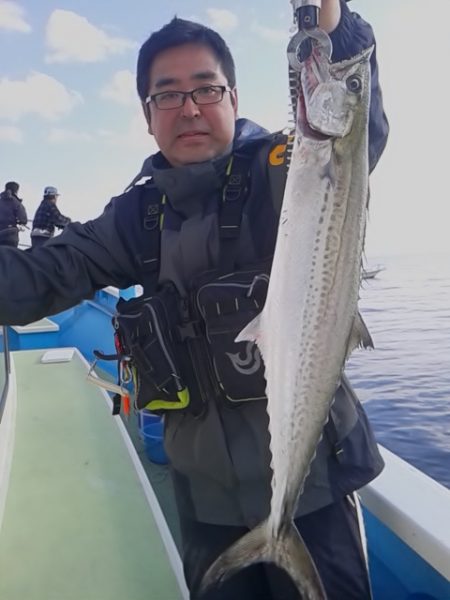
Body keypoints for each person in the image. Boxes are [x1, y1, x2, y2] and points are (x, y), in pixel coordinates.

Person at [0, 1, 389, 598]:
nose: (189, 108)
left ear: (234, 98)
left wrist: (334, 27)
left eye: (206, 89)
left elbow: (358, 135)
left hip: (315, 494)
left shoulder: (285, 169)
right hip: (204, 504)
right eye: (167, 95)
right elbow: (40, 276)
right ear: (147, 115)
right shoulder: (136, 215)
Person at [0, 181, 28, 248]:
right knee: (10, 256)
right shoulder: (16, 203)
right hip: (10, 234)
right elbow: (23, 219)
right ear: (16, 191)